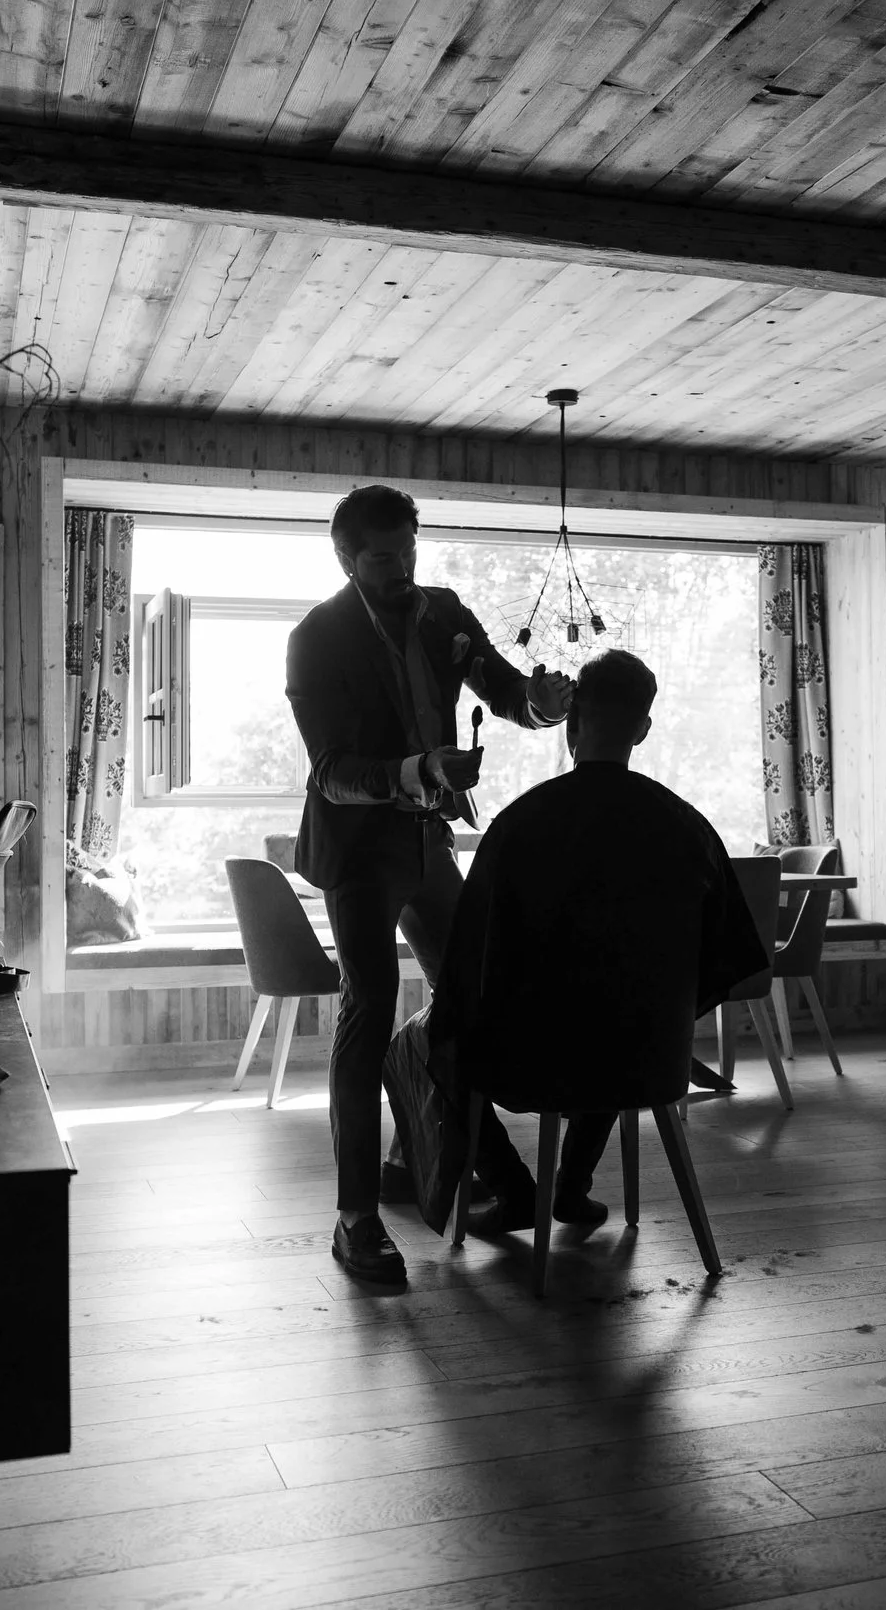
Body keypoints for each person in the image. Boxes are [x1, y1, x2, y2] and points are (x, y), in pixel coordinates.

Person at [286, 484, 573, 1285]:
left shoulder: (445, 612)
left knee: (473, 997)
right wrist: (422, 770)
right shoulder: (316, 639)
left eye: (409, 549)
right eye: (383, 556)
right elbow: (333, 772)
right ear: (346, 557)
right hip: (357, 850)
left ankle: (446, 1164)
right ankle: (356, 1219)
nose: (401, 567)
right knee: (370, 1007)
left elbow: (507, 690)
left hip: (425, 841)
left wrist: (541, 706)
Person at [431, 650, 768, 1230]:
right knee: (620, 1010)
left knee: (435, 1039)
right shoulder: (687, 827)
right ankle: (570, 1187)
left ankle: (515, 1190)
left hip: (531, 1062)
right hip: (649, 1059)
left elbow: (469, 966)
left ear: (572, 725)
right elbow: (726, 959)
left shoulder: (519, 826)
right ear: (643, 727)